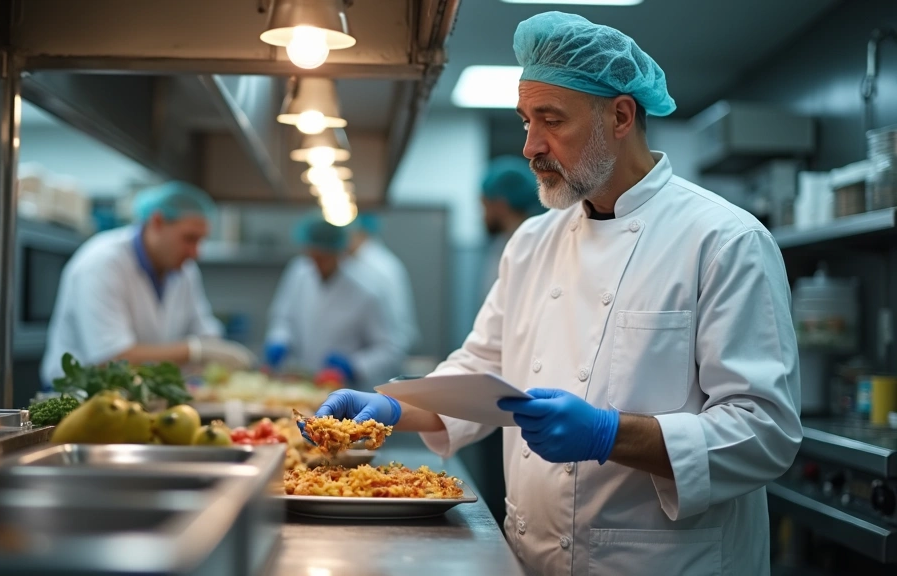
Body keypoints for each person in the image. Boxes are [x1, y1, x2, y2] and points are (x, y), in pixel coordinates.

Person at [307, 11, 801, 576]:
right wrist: (392, 410)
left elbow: (765, 430)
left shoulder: (723, 239)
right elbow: (483, 366)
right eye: (524, 121)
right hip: (531, 555)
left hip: (665, 562)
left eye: (551, 120)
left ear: (620, 115)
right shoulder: (533, 240)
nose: (530, 146)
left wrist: (608, 434)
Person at [40, 181, 254, 386]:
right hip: (77, 400)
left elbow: (203, 331)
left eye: (200, 241)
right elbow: (111, 358)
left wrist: (214, 350)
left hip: (139, 398)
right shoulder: (102, 263)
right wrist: (195, 351)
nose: (196, 252)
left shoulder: (184, 270)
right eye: (189, 238)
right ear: (157, 222)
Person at [264, 215, 401, 390]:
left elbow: (390, 349)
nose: (317, 264)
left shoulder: (366, 290)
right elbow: (283, 318)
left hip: (346, 390)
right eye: (313, 256)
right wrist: (279, 339)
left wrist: (354, 365)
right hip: (302, 384)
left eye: (323, 257)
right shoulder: (299, 272)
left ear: (338, 252)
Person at [345, 214, 420, 353]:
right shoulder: (368, 261)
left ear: (358, 232)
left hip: (386, 350)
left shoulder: (377, 266)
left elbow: (395, 321)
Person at [479, 156, 545, 304]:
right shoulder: (501, 244)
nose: (483, 216)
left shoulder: (533, 249)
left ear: (500, 204)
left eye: (485, 206)